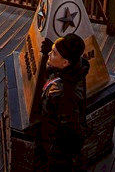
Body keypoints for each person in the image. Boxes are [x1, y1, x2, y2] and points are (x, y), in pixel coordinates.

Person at [35, 33, 90, 171]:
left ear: (65, 62)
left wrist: (52, 154)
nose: (49, 54)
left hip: (57, 155)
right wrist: (53, 48)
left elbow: (71, 133)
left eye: (53, 53)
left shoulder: (64, 95)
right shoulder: (73, 69)